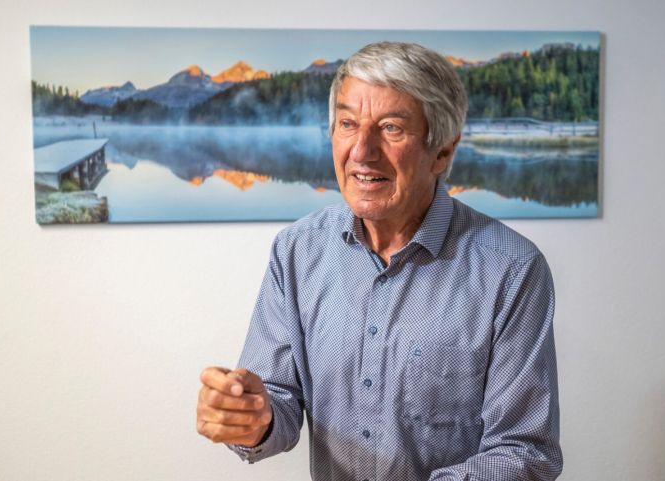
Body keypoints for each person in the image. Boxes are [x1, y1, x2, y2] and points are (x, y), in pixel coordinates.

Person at [196, 41, 563, 481]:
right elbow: (278, 399)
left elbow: (523, 450)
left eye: (390, 128)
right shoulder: (295, 251)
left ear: (443, 151)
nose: (362, 151)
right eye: (348, 124)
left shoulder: (513, 269)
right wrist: (254, 419)